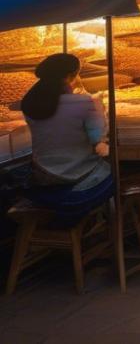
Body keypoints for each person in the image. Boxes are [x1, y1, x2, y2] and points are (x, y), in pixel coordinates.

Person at [20, 54, 113, 226]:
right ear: (71, 76)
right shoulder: (85, 103)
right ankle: (103, 229)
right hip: (76, 190)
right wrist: (100, 112)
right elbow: (98, 141)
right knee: (119, 172)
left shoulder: (30, 104)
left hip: (41, 185)